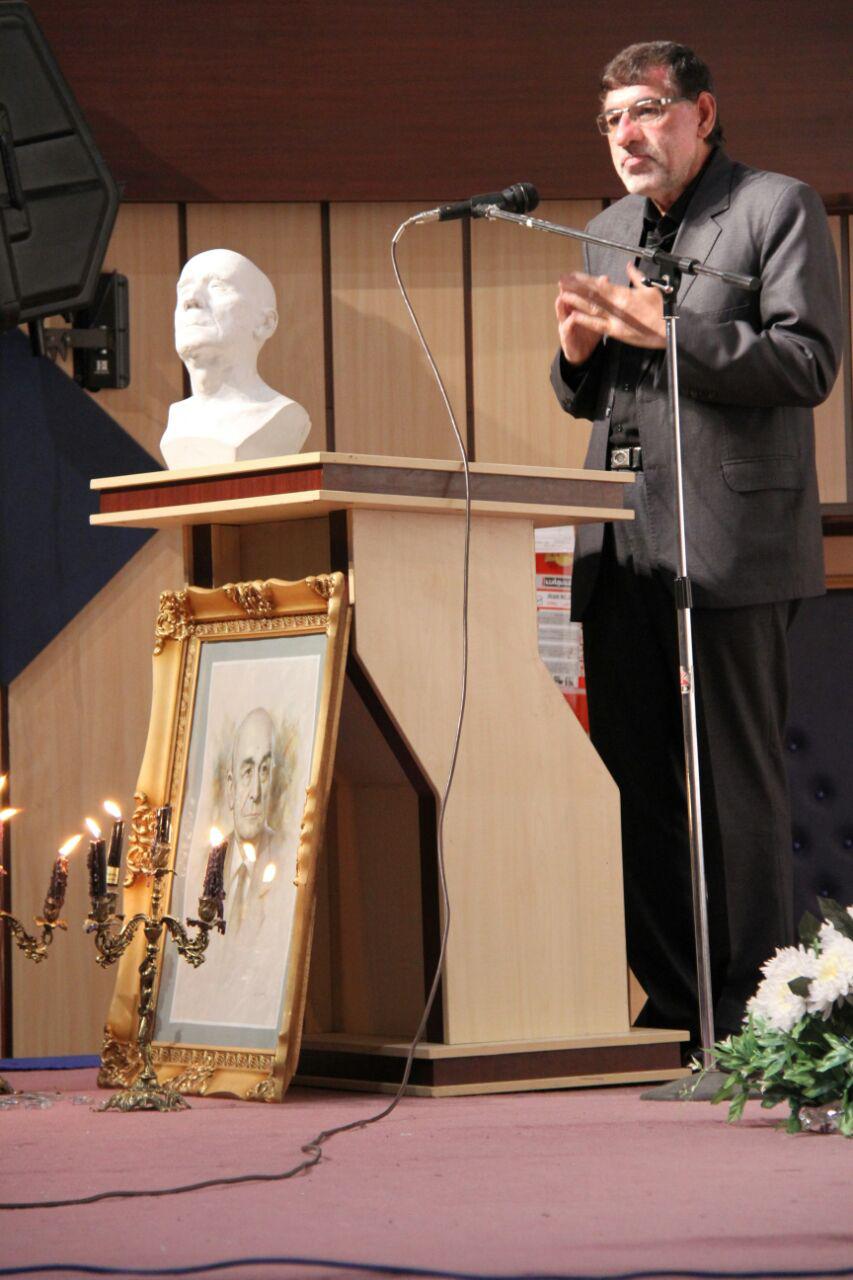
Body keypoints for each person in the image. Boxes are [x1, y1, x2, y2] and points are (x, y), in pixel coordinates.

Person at [550, 41, 842, 1050]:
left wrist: (664, 329)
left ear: (701, 114)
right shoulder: (605, 230)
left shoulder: (773, 207)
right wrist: (575, 356)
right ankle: (678, 1003)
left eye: (645, 111)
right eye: (610, 120)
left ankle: (753, 1015)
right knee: (632, 784)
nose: (625, 135)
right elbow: (599, 390)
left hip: (730, 539)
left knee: (731, 788)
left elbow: (806, 361)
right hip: (622, 540)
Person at [170, 706, 297, 1031]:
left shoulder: (290, 862)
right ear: (230, 788)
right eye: (247, 771)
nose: (255, 793)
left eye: (264, 771)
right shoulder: (206, 861)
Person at [160, 248, 310, 468]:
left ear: (265, 323)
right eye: (183, 291)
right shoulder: (178, 419)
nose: (190, 300)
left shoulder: (280, 415)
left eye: (217, 286)